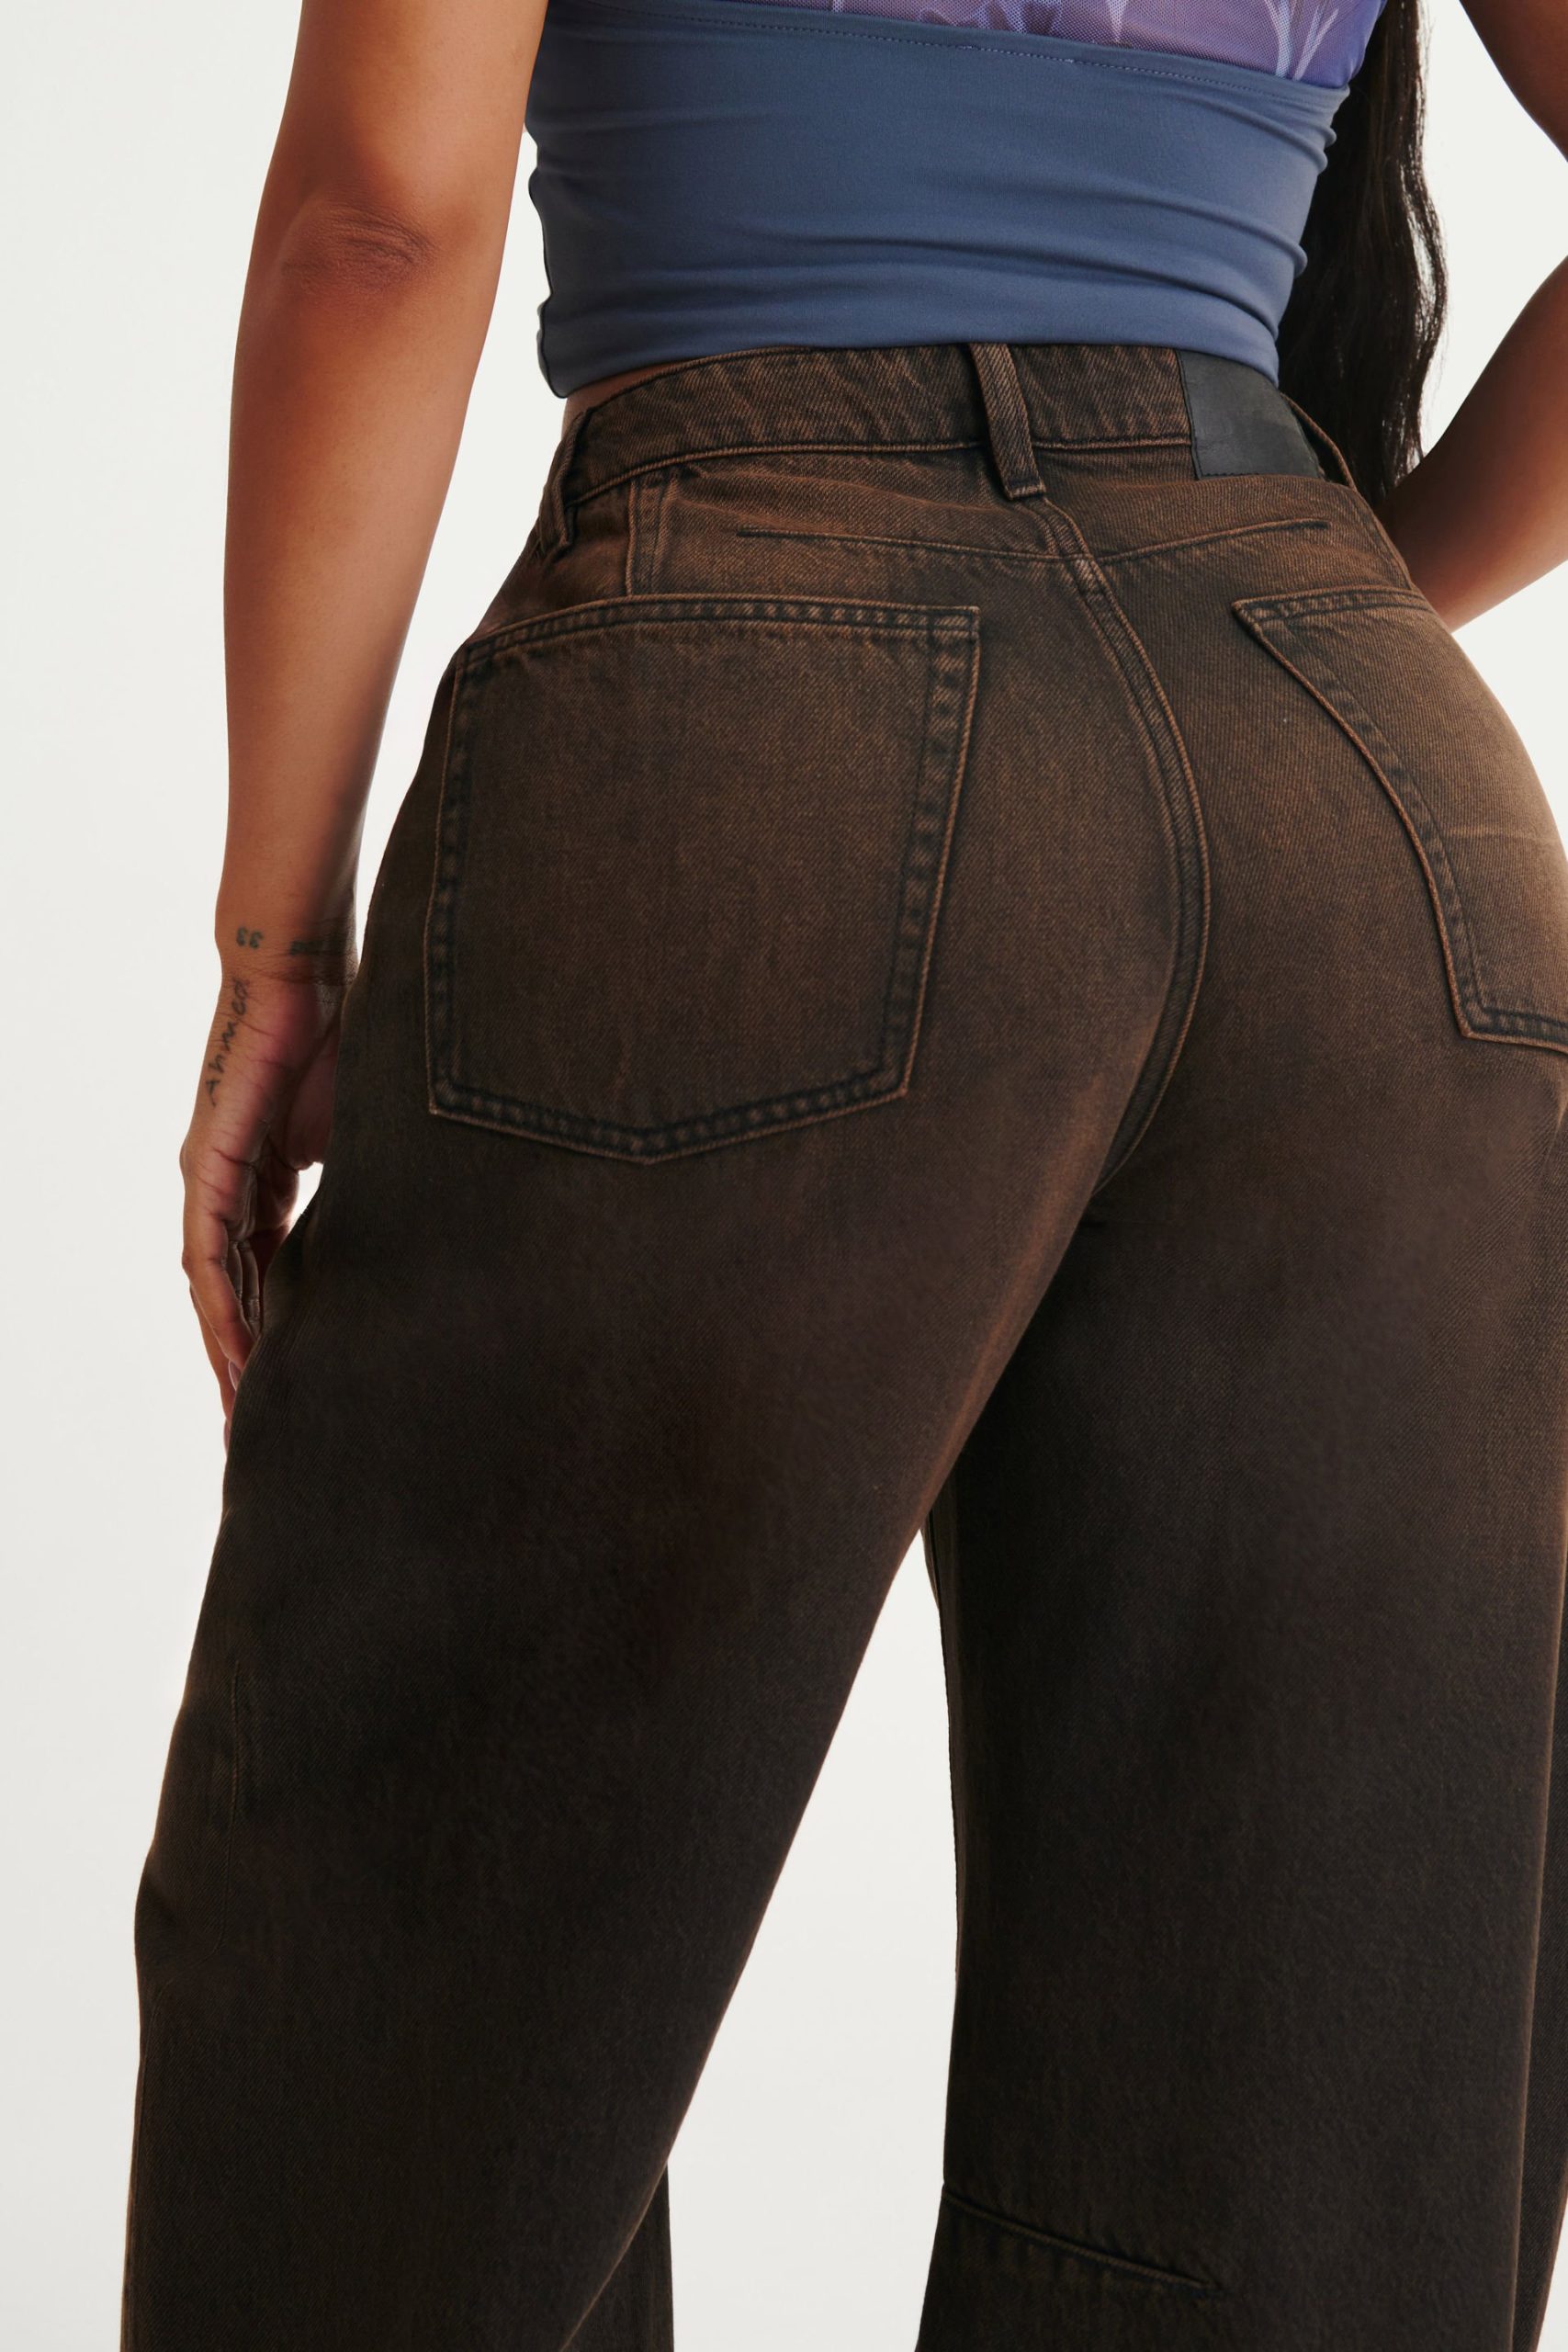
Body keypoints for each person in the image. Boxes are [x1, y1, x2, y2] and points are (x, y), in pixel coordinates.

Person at [126, 0, 1568, 2344]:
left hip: (750, 674)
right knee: (1293, 2166)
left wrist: (277, 941)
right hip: (1371, 813)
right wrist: (1322, 620)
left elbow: (380, 219)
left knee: (391, 2054)